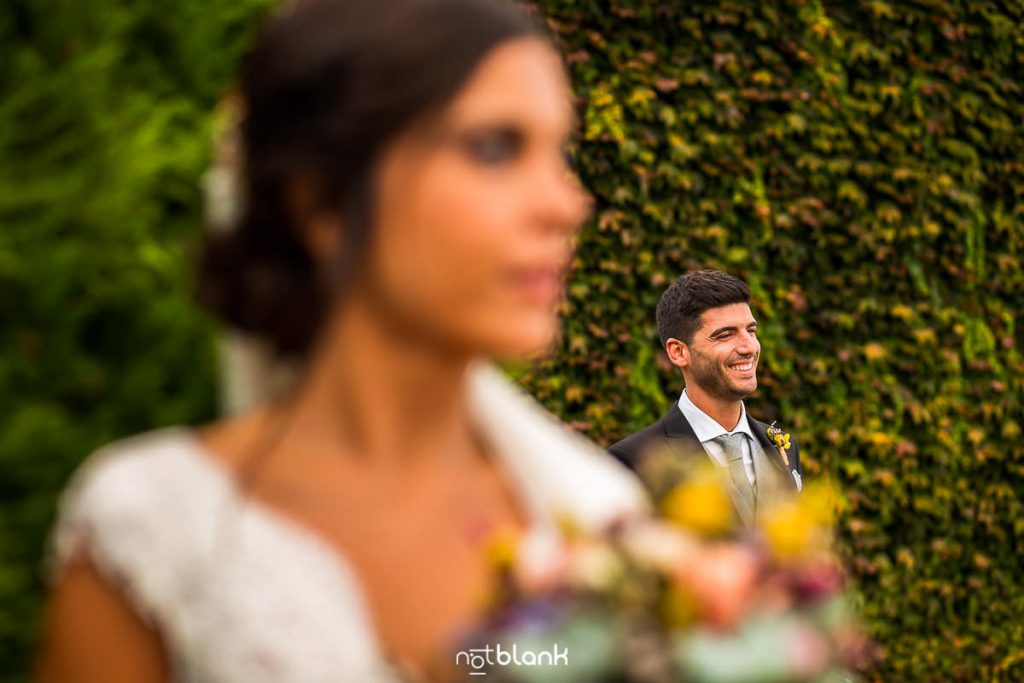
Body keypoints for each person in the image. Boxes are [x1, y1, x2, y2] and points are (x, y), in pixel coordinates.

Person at [34, 1, 650, 681]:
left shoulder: (602, 519)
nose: (565, 204)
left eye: (557, 152)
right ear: (323, 200)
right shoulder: (149, 531)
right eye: (494, 148)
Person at [608, 270, 803, 526]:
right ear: (678, 352)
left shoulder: (783, 447)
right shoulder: (632, 461)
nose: (748, 347)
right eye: (725, 335)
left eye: (751, 330)